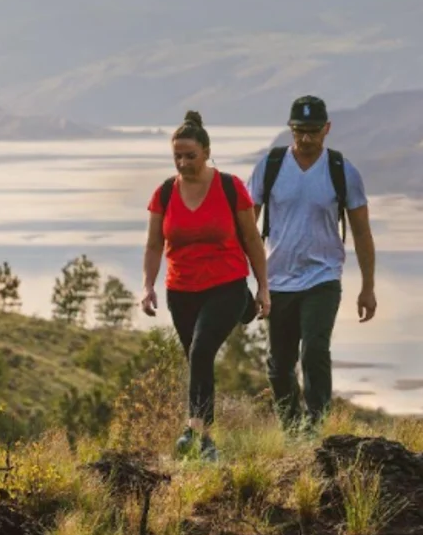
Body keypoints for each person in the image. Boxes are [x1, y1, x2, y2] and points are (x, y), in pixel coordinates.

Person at [140, 110, 270, 462]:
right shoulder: (165, 193)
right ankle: (208, 441)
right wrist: (148, 286)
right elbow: (154, 244)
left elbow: (252, 239)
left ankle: (193, 429)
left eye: (190, 156)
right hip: (181, 290)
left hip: (226, 282)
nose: (183, 163)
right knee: (199, 359)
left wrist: (263, 287)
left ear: (207, 151)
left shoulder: (230, 187)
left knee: (199, 352)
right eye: (177, 156)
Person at [246, 94, 375, 432]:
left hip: (323, 277)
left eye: (313, 131)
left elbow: (362, 233)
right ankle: (291, 430)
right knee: (279, 365)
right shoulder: (270, 166)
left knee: (315, 350)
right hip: (277, 279)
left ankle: (316, 426)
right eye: (299, 131)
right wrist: (243, 278)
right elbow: (246, 223)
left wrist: (368, 288)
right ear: (290, 129)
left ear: (327, 129)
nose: (306, 138)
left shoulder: (341, 171)